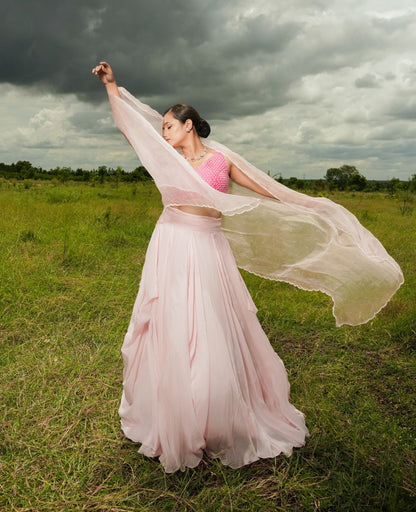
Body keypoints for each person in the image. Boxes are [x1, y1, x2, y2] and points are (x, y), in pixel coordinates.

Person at [92, 61, 403, 473]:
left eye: (168, 125)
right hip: (170, 242)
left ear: (188, 126)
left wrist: (310, 206)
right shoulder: (167, 160)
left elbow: (265, 189)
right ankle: (172, 411)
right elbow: (132, 128)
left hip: (206, 245)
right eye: (162, 127)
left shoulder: (221, 160)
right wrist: (112, 87)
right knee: (169, 321)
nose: (162, 132)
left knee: (210, 323)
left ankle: (214, 411)